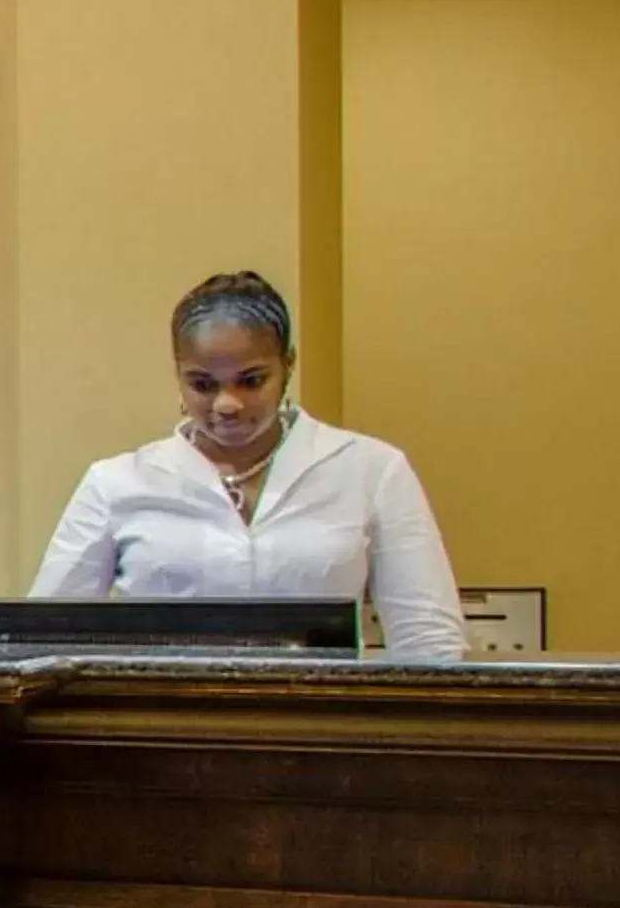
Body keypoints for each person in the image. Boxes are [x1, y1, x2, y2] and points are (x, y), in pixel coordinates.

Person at [28, 270, 469, 660]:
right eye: (203, 384)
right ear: (179, 374)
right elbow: (37, 642)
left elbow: (429, 641)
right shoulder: (117, 483)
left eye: (251, 381)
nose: (227, 404)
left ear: (287, 367)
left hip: (321, 731)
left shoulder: (370, 470)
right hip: (160, 731)